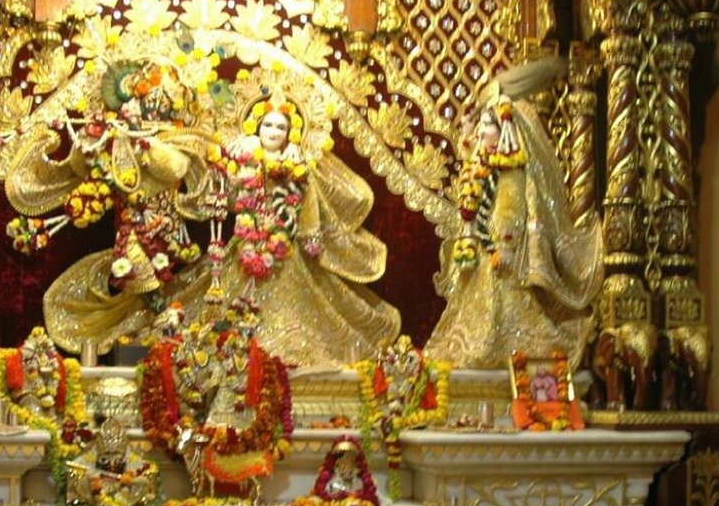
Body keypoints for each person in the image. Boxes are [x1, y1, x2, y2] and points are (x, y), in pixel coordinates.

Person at [176, 75, 401, 370]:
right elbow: (229, 199)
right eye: (268, 125)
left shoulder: (297, 167)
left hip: (286, 251)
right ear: (256, 127)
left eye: (280, 127)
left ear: (290, 134)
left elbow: (307, 204)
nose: (273, 131)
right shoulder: (245, 162)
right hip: (246, 245)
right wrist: (228, 166)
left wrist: (310, 236)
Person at [426, 61, 603, 368]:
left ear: (505, 128)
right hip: (486, 246)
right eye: (482, 126)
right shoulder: (486, 163)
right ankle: (479, 347)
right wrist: (469, 132)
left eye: (488, 126)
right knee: (478, 304)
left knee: (503, 302)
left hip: (503, 250)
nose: (483, 132)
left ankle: (499, 349)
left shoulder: (510, 167)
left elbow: (511, 208)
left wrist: (505, 243)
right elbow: (473, 175)